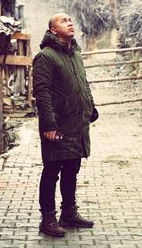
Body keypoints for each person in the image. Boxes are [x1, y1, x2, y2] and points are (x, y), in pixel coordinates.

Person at [32, 13, 99, 237]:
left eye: (70, 20)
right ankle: (48, 218)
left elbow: (83, 83)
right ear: (52, 31)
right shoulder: (46, 57)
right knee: (52, 170)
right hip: (58, 125)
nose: (69, 23)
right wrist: (49, 125)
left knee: (72, 168)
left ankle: (69, 213)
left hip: (76, 124)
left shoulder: (76, 54)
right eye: (63, 21)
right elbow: (41, 93)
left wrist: (91, 107)